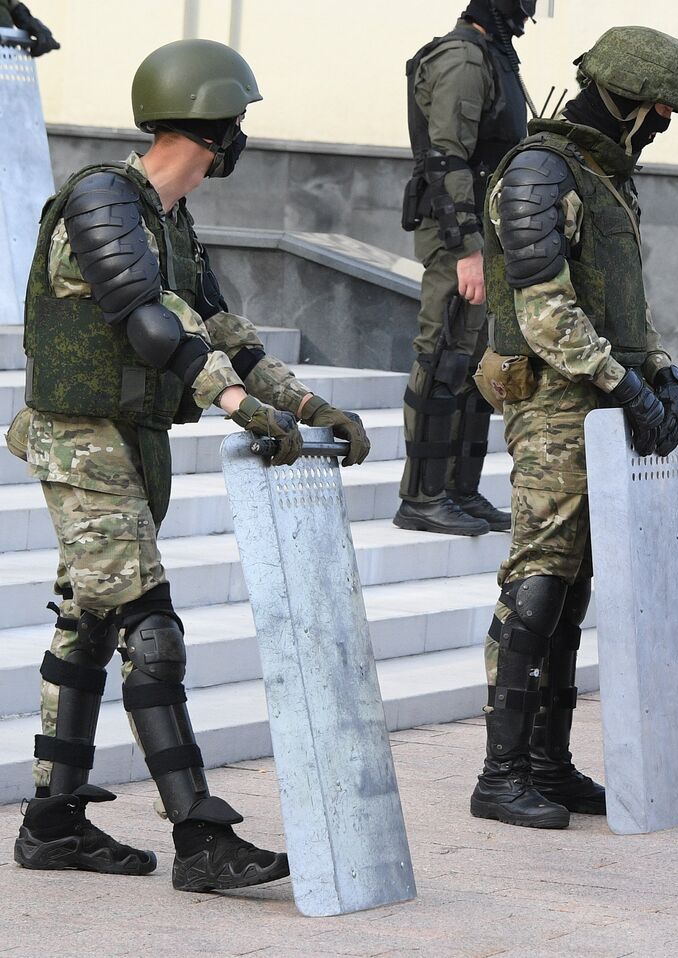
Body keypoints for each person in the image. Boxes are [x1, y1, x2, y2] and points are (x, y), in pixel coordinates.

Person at [8, 39, 370, 891]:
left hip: (132, 439)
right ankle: (201, 839)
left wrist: (307, 407)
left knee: (89, 622)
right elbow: (151, 322)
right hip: (81, 440)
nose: (239, 136)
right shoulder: (102, 200)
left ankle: (52, 824)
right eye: (235, 121)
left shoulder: (168, 220)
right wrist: (241, 408)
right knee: (151, 628)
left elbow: (222, 330)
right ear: (212, 125)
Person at [470, 26, 678, 829]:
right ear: (627, 100)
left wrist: (656, 370)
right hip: (554, 405)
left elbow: (617, 305)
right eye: (658, 111)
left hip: (598, 403)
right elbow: (545, 312)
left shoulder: (602, 177)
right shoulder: (540, 172)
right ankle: (500, 774)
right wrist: (623, 383)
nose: (661, 126)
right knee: (538, 581)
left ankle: (547, 762)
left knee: (571, 588)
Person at [396, 1, 534, 536]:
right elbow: (447, 159)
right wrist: (467, 251)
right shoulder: (462, 59)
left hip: (487, 234)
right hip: (460, 238)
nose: (528, 13)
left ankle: (459, 491)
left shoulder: (491, 56)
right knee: (443, 356)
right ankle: (422, 497)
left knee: (476, 364)